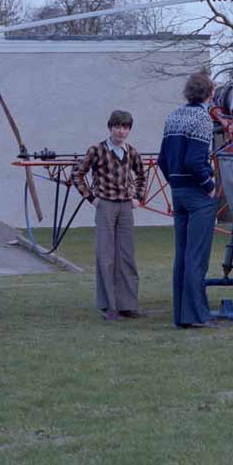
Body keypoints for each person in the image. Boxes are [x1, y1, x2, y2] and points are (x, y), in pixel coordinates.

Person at [158, 71, 219, 329]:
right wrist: (209, 186)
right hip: (198, 194)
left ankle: (181, 315)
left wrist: (176, 184)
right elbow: (195, 161)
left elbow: (163, 160)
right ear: (209, 93)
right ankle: (197, 315)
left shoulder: (172, 117)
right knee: (197, 256)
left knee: (182, 255)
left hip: (178, 191)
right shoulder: (203, 120)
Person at [72, 110, 146, 321]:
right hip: (105, 205)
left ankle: (128, 305)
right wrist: (91, 198)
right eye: (117, 127)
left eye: (125, 127)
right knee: (106, 256)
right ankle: (109, 306)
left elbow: (141, 174)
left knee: (127, 256)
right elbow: (77, 174)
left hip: (125, 207)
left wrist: (137, 198)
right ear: (110, 127)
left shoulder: (131, 151)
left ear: (129, 130)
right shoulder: (97, 150)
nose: (121, 131)